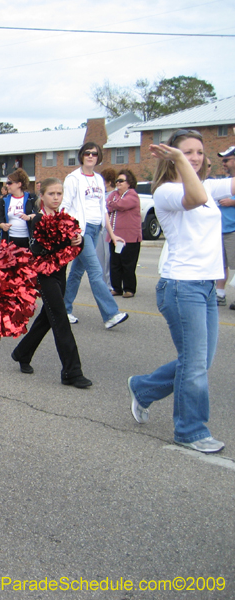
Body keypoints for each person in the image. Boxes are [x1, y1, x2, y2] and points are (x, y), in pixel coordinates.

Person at [128, 129, 235, 454]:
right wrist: (179, 163)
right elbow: (197, 199)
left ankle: (144, 387)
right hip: (181, 286)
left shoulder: (207, 185)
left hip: (204, 285)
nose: (196, 157)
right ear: (171, 156)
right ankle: (190, 430)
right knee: (195, 363)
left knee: (200, 360)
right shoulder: (166, 192)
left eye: (200, 152)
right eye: (187, 152)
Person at [11, 178, 91, 388]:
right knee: (61, 320)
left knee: (47, 319)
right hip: (44, 275)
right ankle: (72, 371)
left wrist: (78, 241)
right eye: (51, 194)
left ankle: (22, 352)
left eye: (59, 194)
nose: (56, 198)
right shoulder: (37, 219)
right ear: (42, 196)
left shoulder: (66, 219)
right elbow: (36, 251)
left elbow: (72, 251)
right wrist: (61, 241)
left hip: (60, 274)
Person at [60, 142, 128, 329]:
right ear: (82, 155)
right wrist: (72, 231)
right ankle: (111, 314)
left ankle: (64, 309)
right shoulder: (73, 178)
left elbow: (103, 209)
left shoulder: (98, 179)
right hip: (81, 230)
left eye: (95, 154)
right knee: (96, 271)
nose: (91, 156)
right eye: (88, 153)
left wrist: (112, 235)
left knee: (77, 272)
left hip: (95, 228)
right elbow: (64, 206)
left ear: (99, 157)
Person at [107, 169, 141, 297]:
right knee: (115, 263)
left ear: (129, 182)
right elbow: (108, 205)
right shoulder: (113, 194)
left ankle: (129, 289)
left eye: (121, 181)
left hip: (130, 237)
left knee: (128, 264)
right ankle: (116, 287)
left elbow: (121, 205)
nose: (118, 183)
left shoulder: (132, 195)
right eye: (117, 181)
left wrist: (113, 203)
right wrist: (113, 203)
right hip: (114, 237)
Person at [215, 146, 235, 308]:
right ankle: (219, 294)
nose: (224, 164)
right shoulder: (223, 182)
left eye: (227, 160)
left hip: (233, 231)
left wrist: (233, 201)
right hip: (219, 230)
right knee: (220, 265)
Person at [0, 168, 36, 248]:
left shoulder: (31, 198)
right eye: (6, 183)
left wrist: (29, 217)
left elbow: (38, 214)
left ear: (19, 184)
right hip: (10, 238)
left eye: (9, 183)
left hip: (28, 239)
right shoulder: (4, 200)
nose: (7, 185)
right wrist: (2, 225)